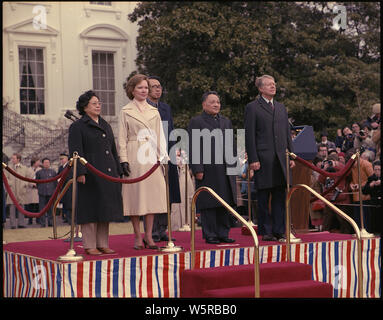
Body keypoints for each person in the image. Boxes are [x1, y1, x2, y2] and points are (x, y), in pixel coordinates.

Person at [68, 90, 123, 255]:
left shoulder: (105, 124)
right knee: (90, 209)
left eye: (99, 103)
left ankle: (102, 243)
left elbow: (112, 149)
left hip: (107, 172)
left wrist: (117, 169)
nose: (98, 105)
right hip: (90, 173)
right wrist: (80, 172)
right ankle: (89, 244)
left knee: (105, 209)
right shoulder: (78, 126)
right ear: (85, 107)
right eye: (94, 103)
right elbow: (76, 151)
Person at [118, 74, 167, 250]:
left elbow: (160, 135)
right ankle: (137, 236)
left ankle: (149, 235)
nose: (144, 90)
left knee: (151, 197)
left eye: (146, 87)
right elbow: (122, 138)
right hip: (133, 153)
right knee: (135, 196)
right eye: (140, 87)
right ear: (132, 90)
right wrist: (123, 159)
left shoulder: (154, 111)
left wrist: (163, 158)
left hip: (151, 156)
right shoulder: (125, 111)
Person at [244, 75, 295, 241]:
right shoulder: (252, 107)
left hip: (281, 158)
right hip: (263, 158)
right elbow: (250, 135)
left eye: (274, 84)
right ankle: (266, 231)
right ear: (260, 88)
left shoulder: (281, 108)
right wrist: (253, 159)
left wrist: (291, 154)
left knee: (280, 195)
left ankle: (279, 230)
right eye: (269, 84)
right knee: (263, 196)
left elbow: (287, 133)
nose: (273, 86)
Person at [188, 91, 237, 244]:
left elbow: (232, 145)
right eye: (212, 102)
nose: (216, 105)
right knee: (209, 202)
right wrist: (197, 168)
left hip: (225, 167)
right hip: (207, 169)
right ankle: (210, 234)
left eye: (218, 102)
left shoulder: (225, 121)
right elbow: (194, 147)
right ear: (204, 105)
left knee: (224, 201)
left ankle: (223, 232)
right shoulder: (197, 121)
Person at [146, 76, 181, 242]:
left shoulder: (166, 108)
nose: (157, 89)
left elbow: (171, 132)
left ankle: (162, 229)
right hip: (150, 157)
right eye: (153, 87)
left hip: (167, 155)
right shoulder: (143, 108)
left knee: (168, 194)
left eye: (159, 86)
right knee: (153, 195)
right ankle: (151, 231)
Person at [348, 150, 374, 232]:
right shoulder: (351, 166)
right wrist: (351, 184)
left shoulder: (366, 165)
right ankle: (358, 232)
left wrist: (361, 185)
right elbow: (352, 179)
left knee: (365, 217)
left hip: (365, 196)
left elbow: (372, 179)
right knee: (357, 217)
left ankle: (366, 232)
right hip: (356, 196)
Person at [5, 153, 29, 229]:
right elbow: (5, 178)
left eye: (14, 158)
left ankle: (21, 223)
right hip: (12, 191)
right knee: (12, 208)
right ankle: (13, 224)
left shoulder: (24, 168)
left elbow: (28, 178)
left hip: (21, 191)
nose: (12, 160)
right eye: (12, 158)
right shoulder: (8, 168)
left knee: (21, 208)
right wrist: (10, 184)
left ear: (18, 159)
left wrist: (24, 184)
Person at [35, 157, 57, 227]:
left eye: (48, 162)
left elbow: (55, 182)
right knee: (42, 208)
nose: (46, 164)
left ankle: (51, 222)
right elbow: (37, 182)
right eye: (45, 163)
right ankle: (43, 223)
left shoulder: (53, 172)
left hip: (51, 193)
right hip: (42, 193)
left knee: (51, 208)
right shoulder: (39, 172)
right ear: (43, 164)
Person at [362, 160, 381, 234]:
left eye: (379, 170)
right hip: (374, 204)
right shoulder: (371, 178)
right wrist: (371, 185)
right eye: (375, 170)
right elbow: (364, 191)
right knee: (374, 223)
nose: (377, 172)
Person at [25, 157, 41, 225]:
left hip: (38, 190)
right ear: (34, 162)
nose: (39, 163)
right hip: (30, 190)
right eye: (38, 161)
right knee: (30, 206)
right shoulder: (28, 170)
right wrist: (32, 184)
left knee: (38, 206)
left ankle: (38, 219)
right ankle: (30, 220)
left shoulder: (40, 169)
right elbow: (26, 179)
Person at [57, 153, 72, 224]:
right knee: (65, 203)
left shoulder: (70, 166)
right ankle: (66, 217)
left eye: (62, 159)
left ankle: (70, 219)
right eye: (60, 159)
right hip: (63, 187)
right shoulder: (61, 167)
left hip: (69, 187)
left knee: (69, 203)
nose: (61, 160)